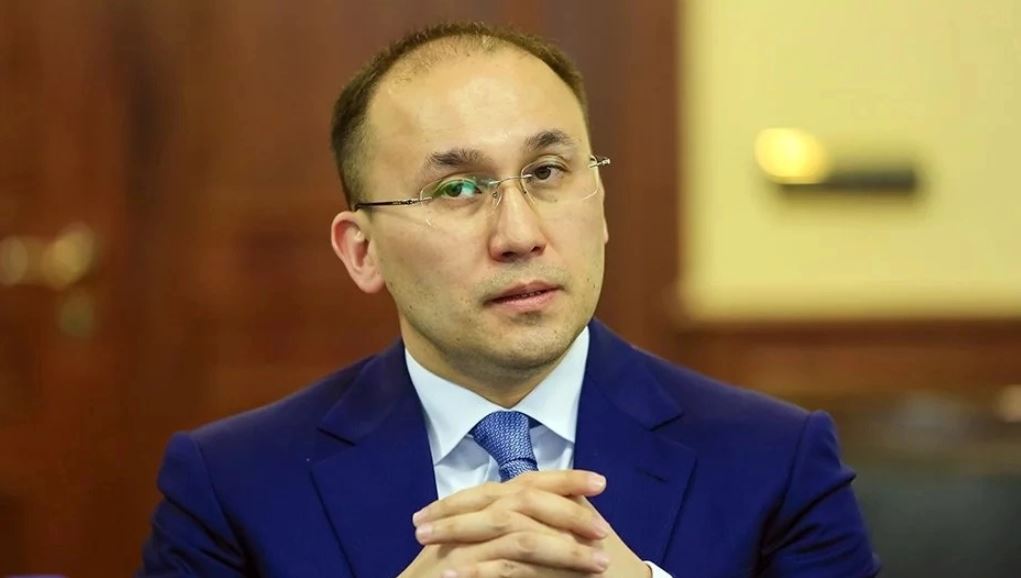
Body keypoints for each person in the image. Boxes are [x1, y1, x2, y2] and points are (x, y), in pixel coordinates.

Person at [138, 22, 880, 578]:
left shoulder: (774, 461)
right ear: (362, 252)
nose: (520, 235)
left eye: (548, 172)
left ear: (600, 201)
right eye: (457, 189)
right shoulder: (232, 485)